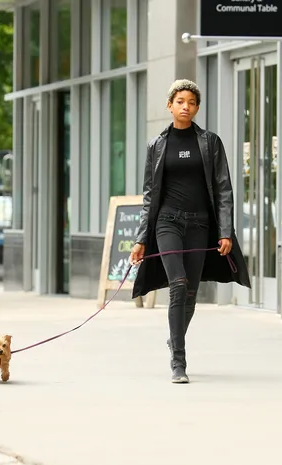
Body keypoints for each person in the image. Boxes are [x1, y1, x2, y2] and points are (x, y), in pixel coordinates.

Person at [129, 79, 251, 384]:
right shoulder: (157, 146)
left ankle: (175, 338)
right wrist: (141, 239)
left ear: (197, 108)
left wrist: (225, 231)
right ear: (169, 105)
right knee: (179, 284)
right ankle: (179, 361)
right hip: (167, 222)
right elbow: (149, 195)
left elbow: (224, 189)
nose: (186, 107)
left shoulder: (210, 142)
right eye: (180, 101)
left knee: (192, 294)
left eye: (192, 102)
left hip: (199, 225)